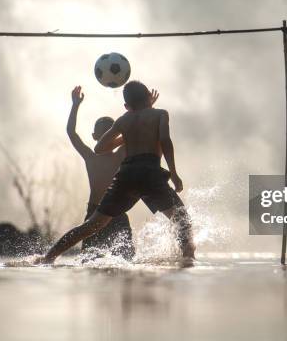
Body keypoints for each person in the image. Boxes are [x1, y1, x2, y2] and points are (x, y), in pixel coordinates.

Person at [34, 81, 195, 264]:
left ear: (127, 106)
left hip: (126, 174)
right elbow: (165, 140)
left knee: (89, 226)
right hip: (149, 172)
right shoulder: (160, 114)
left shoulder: (123, 120)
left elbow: (100, 146)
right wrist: (173, 172)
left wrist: (125, 133)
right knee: (182, 221)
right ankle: (188, 261)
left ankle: (47, 257)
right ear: (149, 98)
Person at [65, 86, 155, 261]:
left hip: (116, 211)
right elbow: (71, 132)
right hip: (94, 212)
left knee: (126, 258)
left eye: (111, 132)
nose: (108, 136)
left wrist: (147, 108)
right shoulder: (89, 156)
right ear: (95, 136)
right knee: (88, 260)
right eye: (103, 133)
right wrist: (75, 105)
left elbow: (138, 132)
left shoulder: (120, 154)